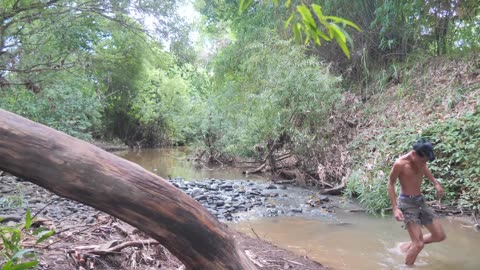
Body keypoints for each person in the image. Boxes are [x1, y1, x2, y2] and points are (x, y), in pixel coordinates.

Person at [387, 139, 446, 266]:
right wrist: (395, 208)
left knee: (439, 236)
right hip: (406, 203)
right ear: (414, 154)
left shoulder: (421, 161)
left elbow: (424, 168)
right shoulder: (400, 164)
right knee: (419, 245)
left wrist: (435, 183)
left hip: (420, 201)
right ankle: (406, 267)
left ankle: (405, 246)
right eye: (422, 161)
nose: (423, 164)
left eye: (425, 162)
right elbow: (391, 184)